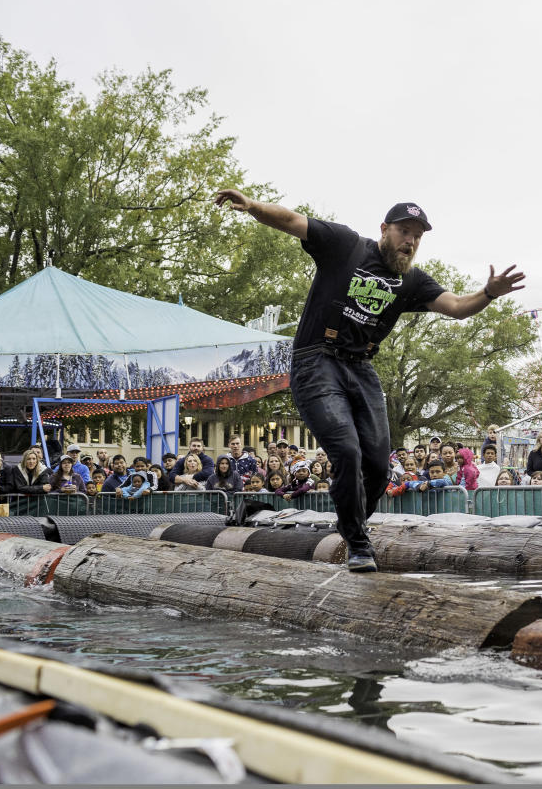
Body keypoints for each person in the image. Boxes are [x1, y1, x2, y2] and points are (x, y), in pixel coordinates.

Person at [215, 189, 524, 572]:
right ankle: (359, 542)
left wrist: (489, 293)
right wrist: (253, 206)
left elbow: (458, 307)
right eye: (403, 231)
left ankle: (354, 526)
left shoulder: (410, 281)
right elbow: (293, 221)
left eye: (417, 235)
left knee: (379, 465)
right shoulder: (347, 247)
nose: (409, 240)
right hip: (316, 361)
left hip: (361, 368)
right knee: (346, 451)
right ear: (384, 230)